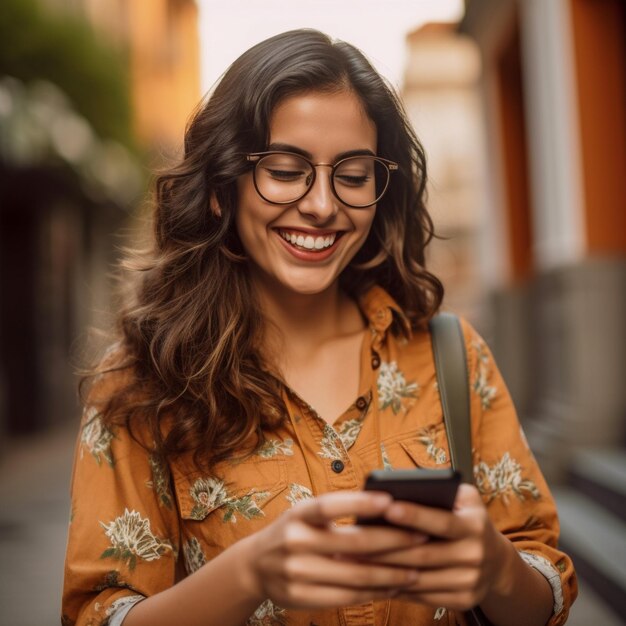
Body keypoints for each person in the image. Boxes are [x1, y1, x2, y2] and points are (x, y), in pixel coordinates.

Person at [62, 29, 577, 626]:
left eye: (353, 175)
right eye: (285, 169)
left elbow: (544, 590)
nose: (324, 205)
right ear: (219, 191)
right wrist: (248, 574)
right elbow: (98, 615)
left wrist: (494, 568)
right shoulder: (142, 383)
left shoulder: (450, 356)